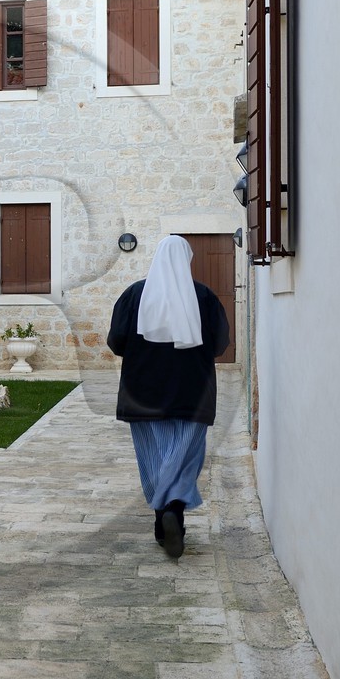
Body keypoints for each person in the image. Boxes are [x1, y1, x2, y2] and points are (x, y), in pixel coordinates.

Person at [107, 235, 230, 559]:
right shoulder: (203, 296)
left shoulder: (134, 295)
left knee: (155, 458)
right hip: (194, 392)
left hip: (143, 392)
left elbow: (116, 341)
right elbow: (219, 344)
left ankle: (164, 518)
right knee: (184, 458)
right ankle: (173, 513)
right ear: (186, 260)